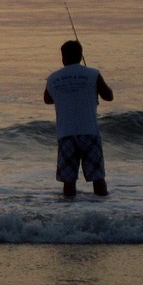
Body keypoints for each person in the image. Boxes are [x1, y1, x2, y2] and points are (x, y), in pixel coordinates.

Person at [43, 39, 113, 198]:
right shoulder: (93, 74)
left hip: (66, 134)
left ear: (63, 58)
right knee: (98, 179)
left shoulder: (53, 78)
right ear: (81, 56)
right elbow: (109, 96)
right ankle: (102, 211)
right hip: (89, 132)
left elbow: (47, 99)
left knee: (69, 181)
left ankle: (69, 213)